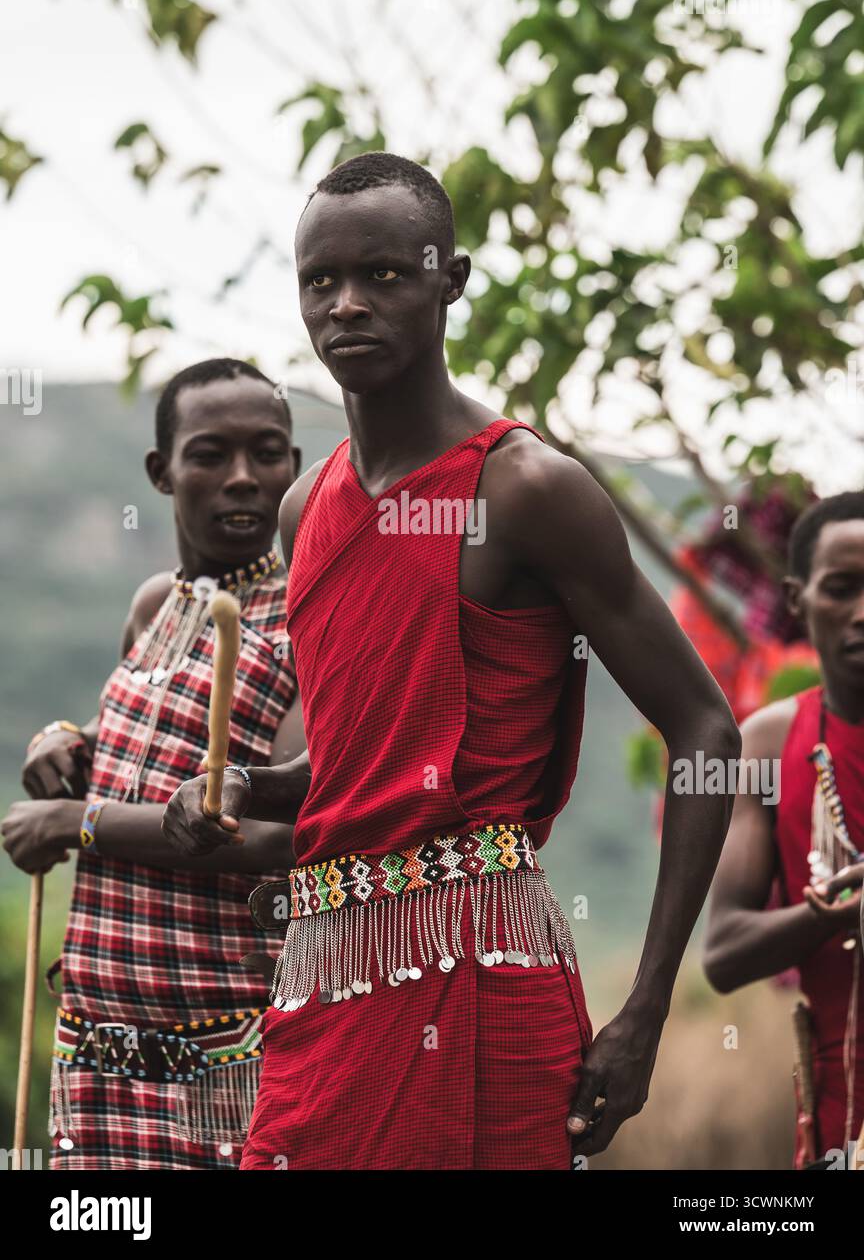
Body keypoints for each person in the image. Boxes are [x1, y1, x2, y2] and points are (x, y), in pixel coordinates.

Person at [163, 152, 740, 1171]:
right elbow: (349, 765)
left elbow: (704, 725)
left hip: (480, 978)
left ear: (451, 279)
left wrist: (646, 1009)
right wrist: (238, 786)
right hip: (325, 985)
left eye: (383, 274)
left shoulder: (524, 489)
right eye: (320, 282)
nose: (347, 305)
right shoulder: (307, 508)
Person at [2, 358, 304, 1170]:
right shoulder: (153, 605)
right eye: (210, 454)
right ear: (160, 472)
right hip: (98, 1047)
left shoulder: (306, 622)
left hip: (226, 1054)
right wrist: (62, 746)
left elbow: (286, 836)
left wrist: (78, 822)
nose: (243, 479)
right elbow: (129, 749)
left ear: (295, 469)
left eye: (267, 453)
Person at [704, 492, 864, 1167]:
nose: (863, 612)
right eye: (841, 589)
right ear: (796, 600)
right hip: (841, 1116)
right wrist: (831, 912)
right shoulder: (769, 746)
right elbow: (725, 949)